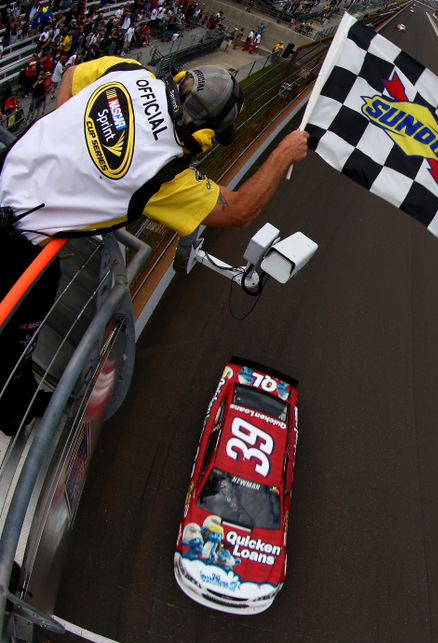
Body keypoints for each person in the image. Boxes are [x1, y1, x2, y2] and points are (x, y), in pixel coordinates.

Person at [0, 56, 309, 434]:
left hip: (6, 168)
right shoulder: (166, 175)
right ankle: (12, 409)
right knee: (23, 323)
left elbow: (70, 75)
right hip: (17, 241)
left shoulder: (129, 71)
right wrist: (282, 154)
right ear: (204, 131)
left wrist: (63, 151)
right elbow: (240, 210)